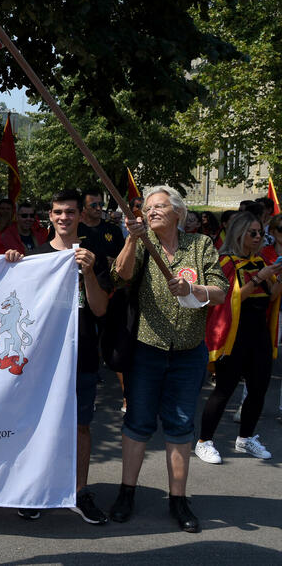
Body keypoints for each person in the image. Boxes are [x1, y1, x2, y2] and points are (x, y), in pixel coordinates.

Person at [111, 185, 226, 533]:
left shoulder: (201, 245)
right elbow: (121, 275)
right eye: (148, 208)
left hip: (189, 354)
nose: (152, 212)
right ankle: (126, 493)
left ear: (178, 212)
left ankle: (179, 499)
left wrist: (194, 290)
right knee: (138, 423)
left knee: (179, 425)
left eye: (159, 207)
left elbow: (219, 291)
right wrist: (132, 240)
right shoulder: (144, 244)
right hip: (147, 350)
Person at [21, 190, 110, 524]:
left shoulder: (92, 256)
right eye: (58, 212)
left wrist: (87, 272)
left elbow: (100, 309)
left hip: (83, 354)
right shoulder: (36, 257)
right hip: (44, 359)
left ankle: (79, 491)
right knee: (39, 425)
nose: (63, 218)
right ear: (50, 215)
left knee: (81, 427)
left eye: (70, 212)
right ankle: (38, 489)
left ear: (79, 216)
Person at [195, 212, 279, 464]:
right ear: (239, 234)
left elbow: (272, 298)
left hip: (259, 335)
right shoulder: (226, 262)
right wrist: (258, 278)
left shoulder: (260, 260)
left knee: (258, 389)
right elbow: (228, 301)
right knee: (224, 390)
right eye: (252, 233)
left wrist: (278, 277)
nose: (258, 237)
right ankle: (204, 441)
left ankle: (246, 438)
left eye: (260, 233)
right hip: (233, 336)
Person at [81, 188, 124, 264]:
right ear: (84, 208)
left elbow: (124, 257)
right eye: (93, 205)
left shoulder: (114, 229)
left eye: (101, 204)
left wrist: (115, 262)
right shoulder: (75, 231)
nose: (98, 208)